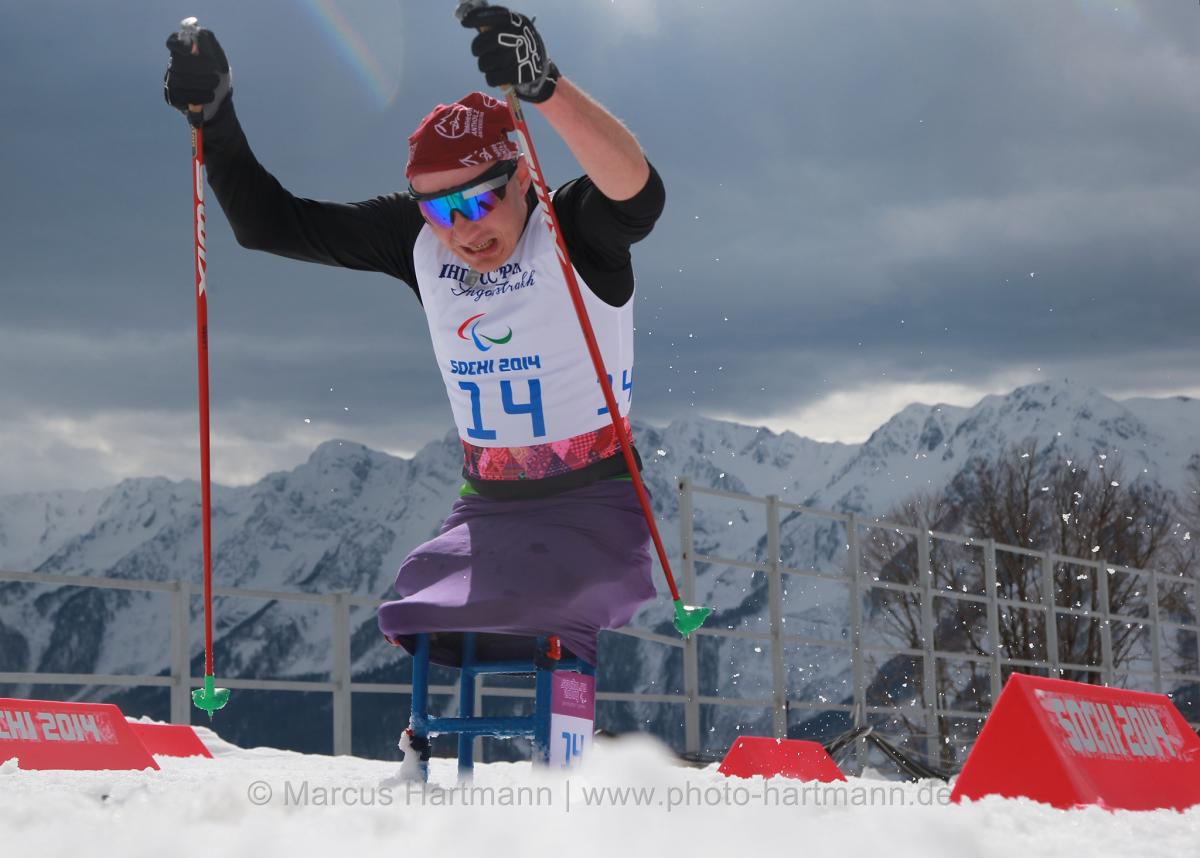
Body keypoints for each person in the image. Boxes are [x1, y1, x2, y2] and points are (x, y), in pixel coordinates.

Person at [164, 7, 663, 668]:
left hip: (591, 506)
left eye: (478, 201)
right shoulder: (418, 242)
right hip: (486, 511)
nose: (461, 228)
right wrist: (216, 116)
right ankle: (428, 755)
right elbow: (269, 225)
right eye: (438, 209)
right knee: (419, 617)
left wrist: (545, 85)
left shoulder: (570, 228)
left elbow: (638, 196)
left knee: (539, 608)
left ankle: (565, 745)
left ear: (519, 178)